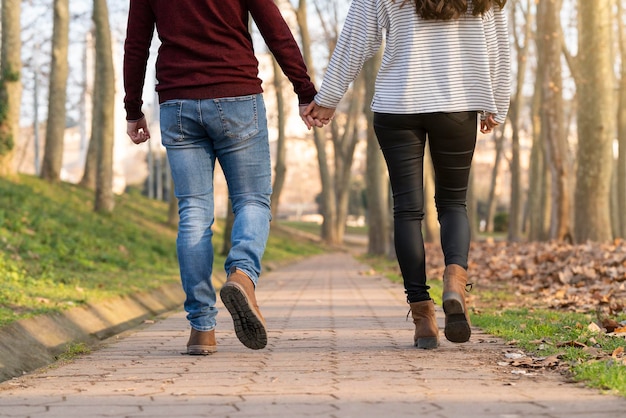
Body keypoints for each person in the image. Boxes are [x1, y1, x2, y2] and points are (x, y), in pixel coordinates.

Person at [304, 0, 510, 348]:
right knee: (453, 203)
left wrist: (328, 98)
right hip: (458, 105)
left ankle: (423, 318)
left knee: (407, 210)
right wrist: (497, 103)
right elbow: (498, 47)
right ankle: (455, 282)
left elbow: (355, 39)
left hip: (398, 105)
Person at [123, 0, 317, 354]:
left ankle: (201, 328)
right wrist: (304, 89)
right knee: (252, 200)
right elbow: (275, 28)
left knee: (194, 212)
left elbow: (136, 43)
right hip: (237, 94)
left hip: (177, 101)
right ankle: (242, 274)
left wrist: (133, 109)